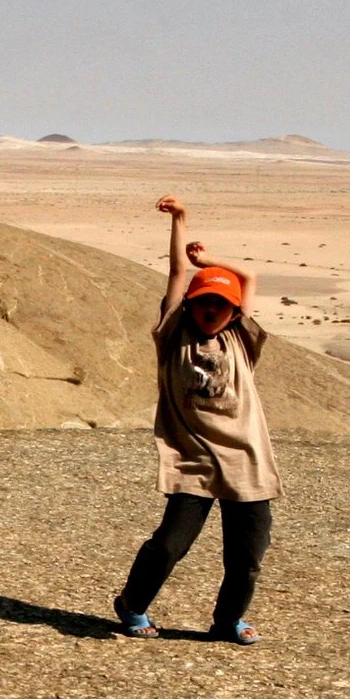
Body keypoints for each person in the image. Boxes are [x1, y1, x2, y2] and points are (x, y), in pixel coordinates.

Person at [111, 195, 276, 645]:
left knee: (246, 557)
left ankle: (227, 622)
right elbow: (176, 276)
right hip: (193, 460)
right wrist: (181, 224)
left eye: (221, 305)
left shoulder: (242, 339)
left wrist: (211, 259)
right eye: (203, 303)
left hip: (247, 461)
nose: (211, 311)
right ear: (189, 307)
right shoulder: (173, 336)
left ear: (235, 310)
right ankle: (132, 604)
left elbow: (249, 277)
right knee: (170, 545)